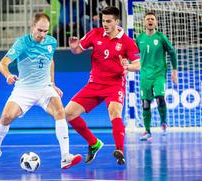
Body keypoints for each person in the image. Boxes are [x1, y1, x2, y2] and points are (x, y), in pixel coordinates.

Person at [0, 12, 82, 172]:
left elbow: (50, 60)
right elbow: (3, 63)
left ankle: (65, 156)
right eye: (39, 30)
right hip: (24, 89)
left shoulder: (51, 42)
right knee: (6, 117)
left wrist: (52, 83)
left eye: (45, 31)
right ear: (33, 27)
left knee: (60, 112)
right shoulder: (22, 43)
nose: (42, 34)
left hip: (44, 88)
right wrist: (8, 75)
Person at [66, 6, 140, 165]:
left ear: (117, 21)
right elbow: (78, 50)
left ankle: (119, 150)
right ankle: (94, 143)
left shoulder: (127, 41)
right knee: (68, 113)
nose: (105, 24)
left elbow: (138, 64)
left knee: (115, 112)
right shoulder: (95, 33)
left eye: (108, 21)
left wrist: (127, 67)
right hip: (94, 84)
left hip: (115, 84)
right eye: (103, 20)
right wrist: (73, 47)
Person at [135, 12, 178, 141]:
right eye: (147, 19)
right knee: (145, 103)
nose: (150, 21)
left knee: (160, 97)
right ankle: (147, 131)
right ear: (144, 22)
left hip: (159, 74)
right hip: (144, 75)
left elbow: (172, 52)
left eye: (152, 19)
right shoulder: (139, 38)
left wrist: (174, 70)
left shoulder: (161, 37)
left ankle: (163, 122)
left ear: (156, 22)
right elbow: (132, 54)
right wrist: (127, 66)